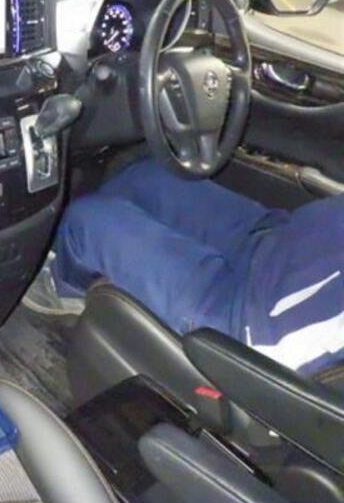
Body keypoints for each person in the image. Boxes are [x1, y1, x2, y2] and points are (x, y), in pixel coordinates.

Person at [50, 158, 344, 376]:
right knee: (145, 176)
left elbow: (286, 359)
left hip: (242, 316)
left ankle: (65, 297)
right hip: (278, 243)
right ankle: (87, 265)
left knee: (85, 222)